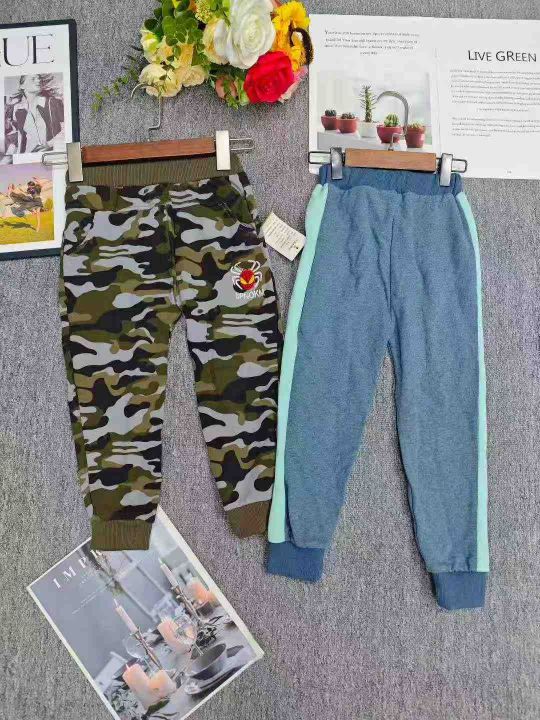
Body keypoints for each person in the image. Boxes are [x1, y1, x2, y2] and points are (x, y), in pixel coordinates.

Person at [4, 74, 64, 155]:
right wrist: (11, 154)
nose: (38, 80)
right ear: (22, 86)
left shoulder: (53, 103)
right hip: (27, 156)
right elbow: (18, 135)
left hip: (49, 155)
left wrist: (49, 144)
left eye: (39, 78)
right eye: (33, 79)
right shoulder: (18, 109)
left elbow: (67, 129)